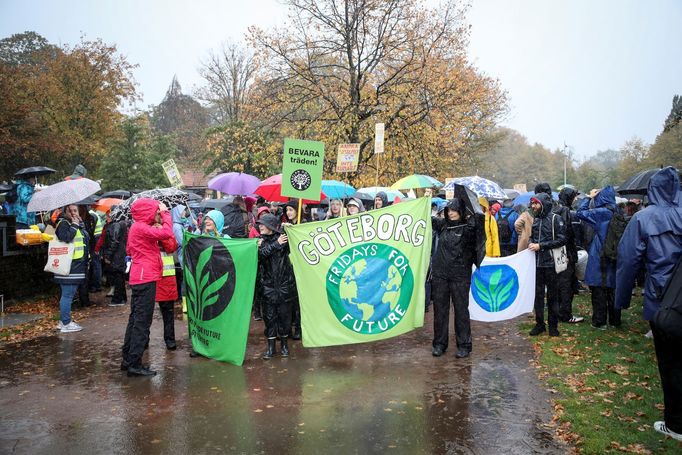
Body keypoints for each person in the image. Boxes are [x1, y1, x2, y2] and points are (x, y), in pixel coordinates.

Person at [615, 167, 682, 441]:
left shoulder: (643, 218)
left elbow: (628, 260)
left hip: (661, 298)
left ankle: (676, 424)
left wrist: (621, 301)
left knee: (670, 363)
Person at [121, 199, 173, 377]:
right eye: (156, 211)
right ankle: (134, 364)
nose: (158, 214)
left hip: (139, 276)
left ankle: (127, 359)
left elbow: (130, 249)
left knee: (135, 319)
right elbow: (167, 232)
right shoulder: (141, 227)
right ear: (147, 212)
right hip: (146, 278)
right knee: (142, 322)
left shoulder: (137, 227)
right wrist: (166, 214)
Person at [430, 198, 477, 358]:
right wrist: (423, 202)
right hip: (440, 275)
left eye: (454, 210)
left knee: (461, 311)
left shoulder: (468, 228)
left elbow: (476, 238)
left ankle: (464, 345)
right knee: (440, 311)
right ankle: (439, 344)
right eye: (449, 210)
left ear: (461, 211)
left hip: (460, 275)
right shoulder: (443, 225)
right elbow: (427, 218)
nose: (451, 213)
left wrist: (474, 219)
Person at [576, 185, 621, 329]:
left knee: (599, 289)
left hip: (600, 255)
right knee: (613, 288)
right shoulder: (618, 211)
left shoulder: (601, 212)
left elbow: (580, 213)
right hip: (615, 255)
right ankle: (615, 321)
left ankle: (599, 322)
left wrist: (588, 198)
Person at [257, 213, 297, 359]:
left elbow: (295, 245)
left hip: (285, 287)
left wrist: (290, 230)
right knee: (269, 318)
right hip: (267, 288)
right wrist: (275, 244)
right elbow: (260, 256)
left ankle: (285, 345)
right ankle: (271, 348)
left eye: (263, 224)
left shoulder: (284, 240)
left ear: (271, 227)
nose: (260, 226)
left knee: (285, 318)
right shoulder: (259, 241)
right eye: (259, 223)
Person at [528, 193, 566, 337]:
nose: (533, 206)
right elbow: (533, 236)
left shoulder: (556, 219)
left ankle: (553, 326)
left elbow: (562, 240)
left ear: (543, 204)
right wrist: (531, 243)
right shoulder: (536, 220)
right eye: (532, 204)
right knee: (537, 296)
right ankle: (539, 324)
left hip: (551, 264)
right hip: (537, 264)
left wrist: (541, 246)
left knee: (552, 296)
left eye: (536, 203)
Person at [54, 204, 90, 333]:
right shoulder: (63, 223)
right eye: (71, 210)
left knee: (69, 294)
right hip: (69, 266)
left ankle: (63, 320)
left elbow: (85, 238)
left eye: (76, 210)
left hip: (76, 265)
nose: (74, 213)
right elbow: (66, 237)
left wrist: (80, 224)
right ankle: (65, 323)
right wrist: (75, 225)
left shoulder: (74, 223)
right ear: (65, 211)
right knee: (68, 294)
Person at [554, 187, 584, 324]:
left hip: (557, 253)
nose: (576, 199)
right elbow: (566, 233)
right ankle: (566, 314)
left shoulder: (555, 208)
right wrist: (569, 253)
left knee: (560, 285)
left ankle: (558, 311)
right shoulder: (565, 210)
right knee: (567, 286)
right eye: (574, 196)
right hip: (566, 254)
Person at [155, 215, 179, 351]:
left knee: (168, 311)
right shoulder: (145, 229)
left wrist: (163, 232)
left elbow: (172, 246)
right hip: (151, 275)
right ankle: (143, 340)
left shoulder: (166, 229)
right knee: (143, 313)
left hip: (166, 276)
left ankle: (170, 339)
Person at [101, 210, 128, 307]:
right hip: (120, 253)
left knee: (117, 277)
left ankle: (118, 299)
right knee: (119, 276)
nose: (107, 217)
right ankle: (122, 298)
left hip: (116, 255)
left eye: (109, 215)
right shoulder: (121, 223)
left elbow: (114, 241)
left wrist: (108, 255)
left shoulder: (115, 225)